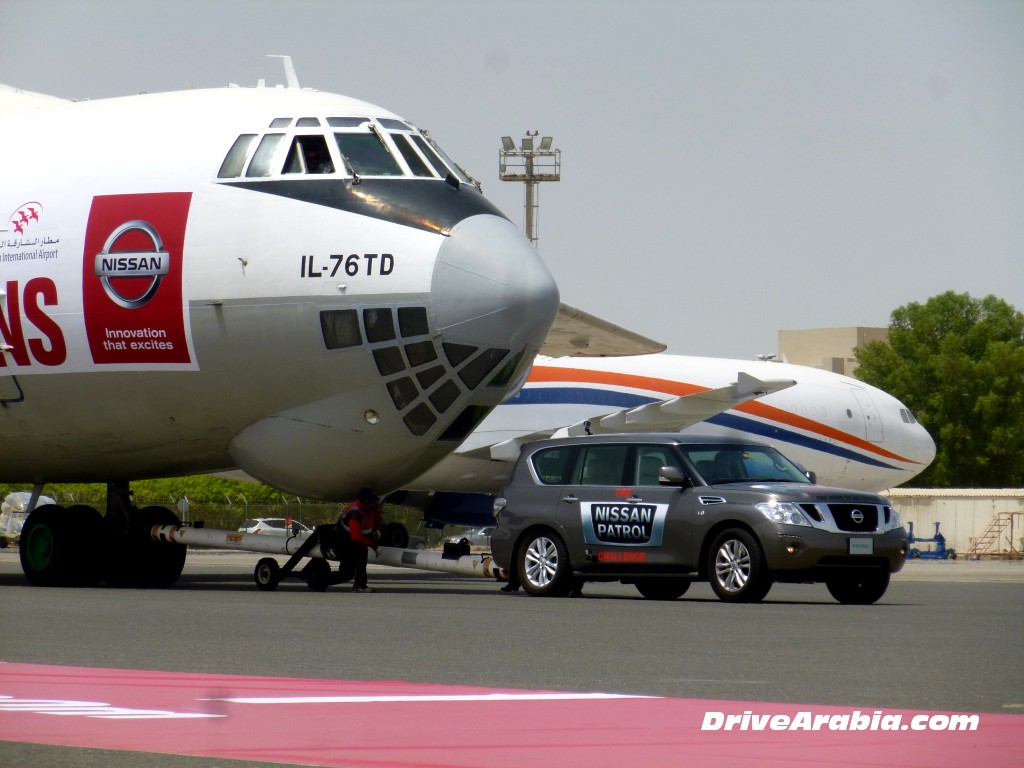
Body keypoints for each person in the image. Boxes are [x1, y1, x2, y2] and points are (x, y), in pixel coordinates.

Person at [336, 488, 382, 592]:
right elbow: (356, 537)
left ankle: (360, 585)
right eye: (370, 502)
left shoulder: (372, 507)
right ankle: (318, 581)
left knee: (362, 558)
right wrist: (374, 545)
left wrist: (375, 530)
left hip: (359, 536)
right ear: (363, 502)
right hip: (346, 539)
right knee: (346, 573)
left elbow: (375, 519)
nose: (373, 505)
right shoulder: (355, 512)